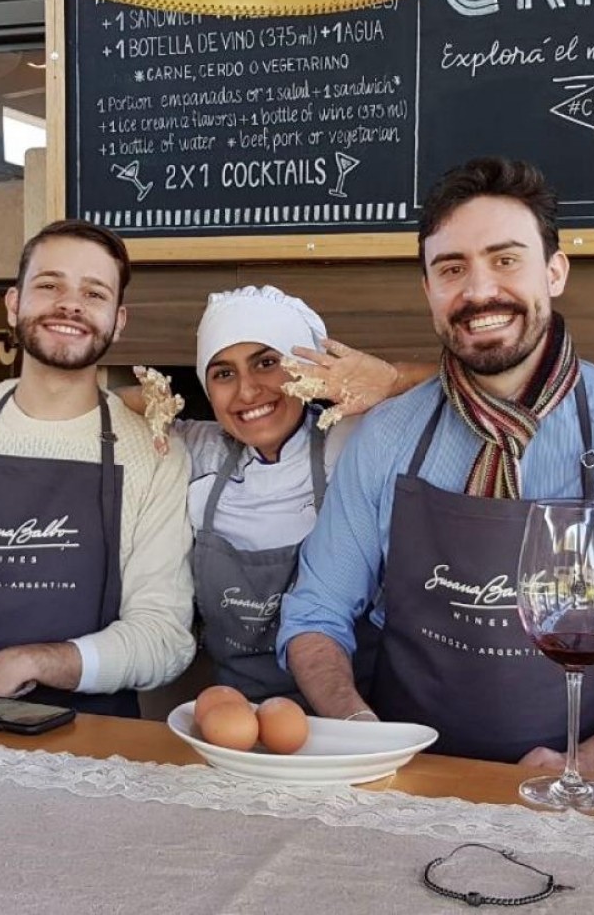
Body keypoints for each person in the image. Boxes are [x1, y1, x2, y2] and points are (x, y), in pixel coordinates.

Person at [278, 156, 594, 773]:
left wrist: (592, 763)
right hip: (399, 779)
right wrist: (359, 733)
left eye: (506, 259)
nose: (479, 291)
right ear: (429, 291)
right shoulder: (386, 435)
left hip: (575, 792)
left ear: (555, 272)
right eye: (451, 268)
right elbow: (314, 614)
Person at [0, 219, 195, 717]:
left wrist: (34, 662)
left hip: (90, 735)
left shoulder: (156, 455)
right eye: (50, 285)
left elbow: (164, 638)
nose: (70, 305)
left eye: (94, 293)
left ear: (118, 320)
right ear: (13, 303)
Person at [127, 285, 430, 704]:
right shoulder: (196, 449)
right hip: (242, 712)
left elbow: (471, 390)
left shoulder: (355, 439)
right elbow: (85, 406)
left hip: (354, 708)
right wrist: (146, 399)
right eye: (223, 374)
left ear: (309, 371)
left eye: (267, 363)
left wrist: (393, 380)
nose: (247, 392)